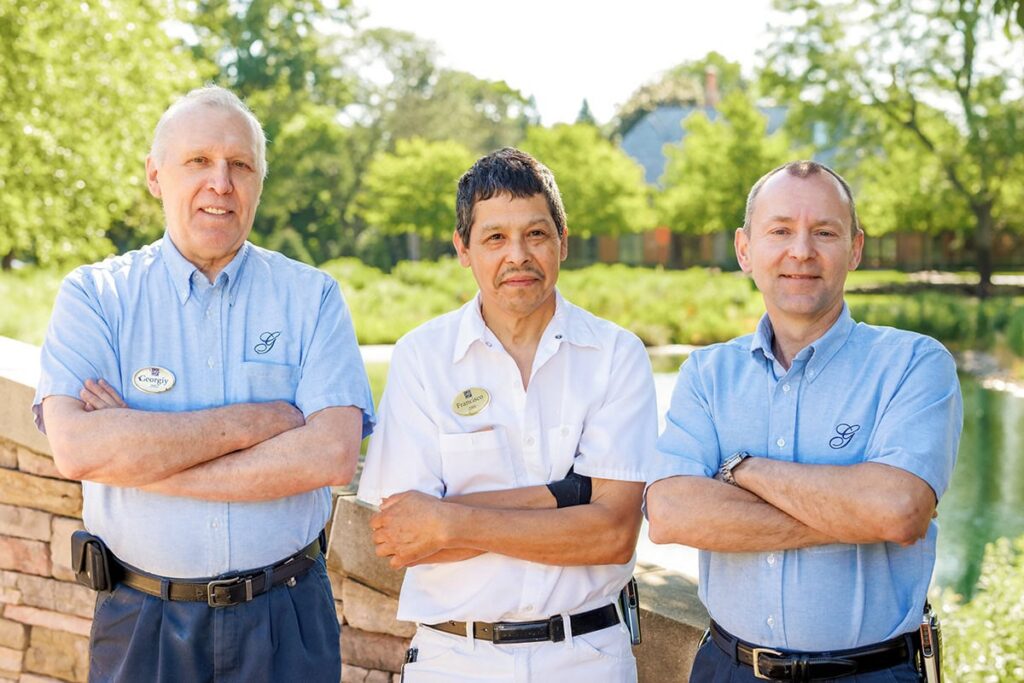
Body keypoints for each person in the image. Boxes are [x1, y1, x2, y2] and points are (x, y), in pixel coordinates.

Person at [32, 86, 374, 682]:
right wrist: (258, 421)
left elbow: (332, 453)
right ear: (156, 174)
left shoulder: (311, 297)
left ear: (259, 183)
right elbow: (78, 449)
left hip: (285, 618)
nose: (222, 182)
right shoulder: (96, 297)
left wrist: (142, 456)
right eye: (199, 161)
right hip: (142, 622)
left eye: (240, 165)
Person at [646, 160, 962, 682]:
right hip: (726, 669)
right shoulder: (707, 373)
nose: (801, 251)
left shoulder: (915, 363)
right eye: (780, 231)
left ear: (855, 248)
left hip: (871, 674)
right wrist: (855, 517)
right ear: (745, 250)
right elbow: (672, 514)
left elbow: (899, 510)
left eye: (824, 232)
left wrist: (741, 469)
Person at [357, 148, 659, 682]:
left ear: (562, 242)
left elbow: (611, 536)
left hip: (586, 658)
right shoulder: (422, 357)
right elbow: (404, 539)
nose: (517, 255)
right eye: (495, 237)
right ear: (463, 249)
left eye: (536, 234)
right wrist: (569, 497)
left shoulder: (616, 355)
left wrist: (448, 517)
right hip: (455, 660)